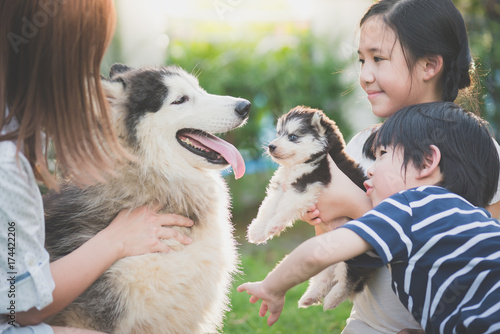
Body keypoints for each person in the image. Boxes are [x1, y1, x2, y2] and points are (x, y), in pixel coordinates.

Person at [301, 0, 500, 332]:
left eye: (378, 59)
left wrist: (354, 204)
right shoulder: (362, 149)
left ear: (429, 65)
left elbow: (488, 259)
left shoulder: (484, 153)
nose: (365, 75)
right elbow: (344, 257)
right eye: (362, 59)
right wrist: (324, 220)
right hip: (369, 324)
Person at [0, 1, 193, 333]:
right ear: (56, 60)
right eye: (88, 58)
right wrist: (114, 240)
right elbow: (21, 305)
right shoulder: (7, 165)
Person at [238, 102, 500, 334]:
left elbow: (318, 253)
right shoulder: (473, 217)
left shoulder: (411, 205)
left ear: (426, 162)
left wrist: (272, 287)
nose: (370, 169)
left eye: (382, 155)